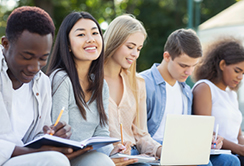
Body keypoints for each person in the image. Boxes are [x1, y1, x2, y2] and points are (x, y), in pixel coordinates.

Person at [46, 11, 137, 166]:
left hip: (85, 156)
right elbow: (60, 137)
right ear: (67, 44)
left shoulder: (100, 85)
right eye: (81, 35)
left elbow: (101, 134)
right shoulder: (61, 79)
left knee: (105, 161)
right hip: (61, 158)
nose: (91, 39)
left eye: (95, 33)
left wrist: (114, 151)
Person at [140, 29, 241, 166]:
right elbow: (138, 133)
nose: (189, 72)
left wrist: (211, 139)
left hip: (182, 147)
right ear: (167, 56)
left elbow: (187, 132)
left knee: (230, 161)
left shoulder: (186, 91)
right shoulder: (144, 83)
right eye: (183, 65)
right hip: (154, 149)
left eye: (193, 66)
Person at [0, 6, 80, 166]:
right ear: (6, 44)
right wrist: (37, 153)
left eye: (43, 58)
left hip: (22, 159)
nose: (35, 67)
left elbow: (35, 136)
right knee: (54, 160)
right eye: (27, 56)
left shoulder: (42, 82)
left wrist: (52, 136)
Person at [104, 14, 162, 166]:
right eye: (130, 47)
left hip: (135, 155)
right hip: (107, 157)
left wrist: (161, 150)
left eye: (138, 49)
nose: (135, 54)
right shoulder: (90, 81)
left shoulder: (137, 83)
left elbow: (141, 134)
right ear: (114, 41)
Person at [192, 38, 244, 166]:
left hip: (234, 152)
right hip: (216, 154)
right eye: (237, 71)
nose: (240, 77)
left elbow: (238, 135)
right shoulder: (205, 88)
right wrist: (241, 149)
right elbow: (204, 130)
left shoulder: (232, 95)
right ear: (222, 65)